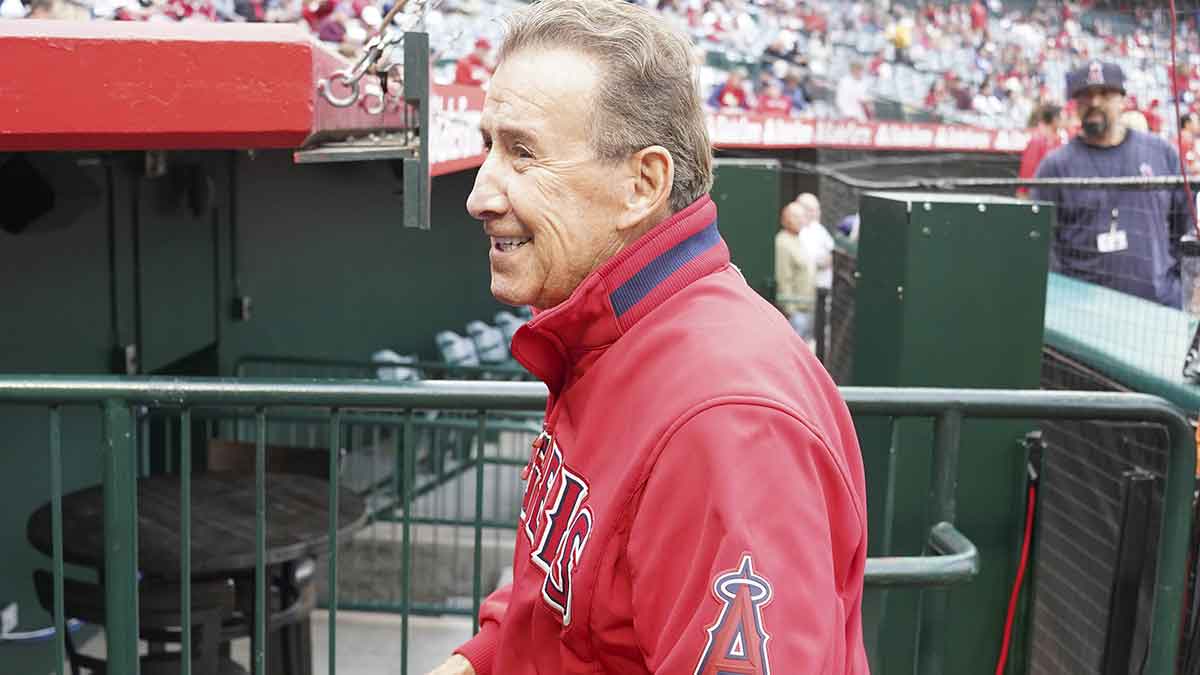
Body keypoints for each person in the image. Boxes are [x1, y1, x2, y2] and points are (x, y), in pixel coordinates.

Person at [428, 1, 870, 673]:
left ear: (643, 184)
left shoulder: (727, 421)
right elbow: (569, 601)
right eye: (491, 144)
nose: (481, 193)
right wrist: (476, 660)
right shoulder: (612, 336)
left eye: (522, 153)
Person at [1033, 61, 1188, 307]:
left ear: (1122, 100)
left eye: (1105, 93)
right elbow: (1041, 245)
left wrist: (1179, 285)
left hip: (1159, 309)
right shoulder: (1056, 167)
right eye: (1085, 95)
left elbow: (1185, 227)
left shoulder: (1161, 153)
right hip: (1084, 315)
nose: (1094, 102)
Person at [775, 202, 816, 338]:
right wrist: (790, 311)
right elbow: (783, 278)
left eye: (802, 217)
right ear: (786, 219)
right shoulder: (783, 243)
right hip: (795, 313)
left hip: (807, 308)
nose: (801, 221)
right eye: (796, 217)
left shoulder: (798, 240)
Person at [1017, 103, 1063, 198]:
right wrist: (1023, 195)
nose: (1065, 120)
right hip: (1038, 197)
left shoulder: (1056, 139)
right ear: (1055, 119)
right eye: (1062, 117)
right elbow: (1028, 172)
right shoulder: (1038, 140)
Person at [796, 193, 835, 293]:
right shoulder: (800, 231)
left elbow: (832, 250)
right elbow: (813, 259)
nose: (816, 213)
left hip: (825, 286)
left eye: (817, 209)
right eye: (811, 210)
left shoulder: (818, 228)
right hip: (809, 289)